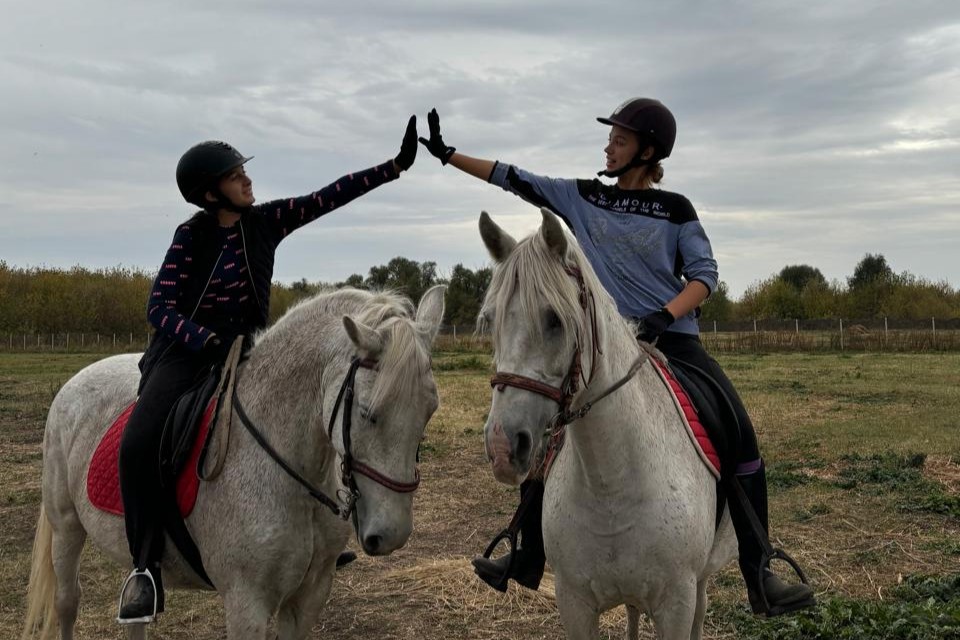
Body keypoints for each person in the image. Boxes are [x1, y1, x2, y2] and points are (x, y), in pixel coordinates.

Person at [418, 99, 816, 616]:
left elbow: (704, 277)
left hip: (671, 338)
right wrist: (449, 156)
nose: (608, 146)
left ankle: (760, 569)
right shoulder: (583, 199)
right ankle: (526, 549)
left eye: (620, 140)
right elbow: (514, 178)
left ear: (646, 152)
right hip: (604, 342)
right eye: (611, 140)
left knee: (738, 427)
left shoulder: (677, 209)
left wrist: (664, 316)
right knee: (552, 426)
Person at [116, 116, 419, 624]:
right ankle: (144, 567)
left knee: (314, 425)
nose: (247, 179)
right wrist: (202, 338)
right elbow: (159, 309)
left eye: (243, 171)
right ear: (211, 193)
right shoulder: (189, 237)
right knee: (138, 443)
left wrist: (394, 167)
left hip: (252, 350)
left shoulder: (266, 221)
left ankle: (317, 541)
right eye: (236, 175)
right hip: (186, 356)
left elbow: (328, 196)